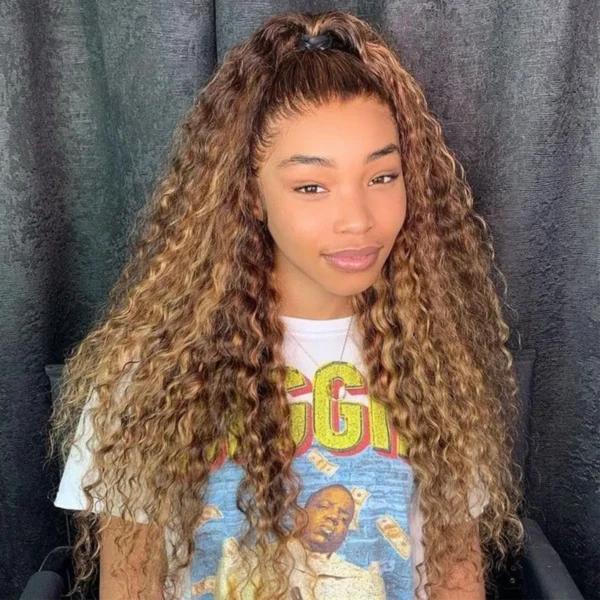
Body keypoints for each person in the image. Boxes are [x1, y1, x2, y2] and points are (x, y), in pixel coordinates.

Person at [48, 9, 525, 600]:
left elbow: (456, 577)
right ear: (250, 193)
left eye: (382, 176)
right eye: (311, 186)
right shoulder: (148, 373)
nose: (358, 219)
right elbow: (130, 587)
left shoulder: (436, 362)